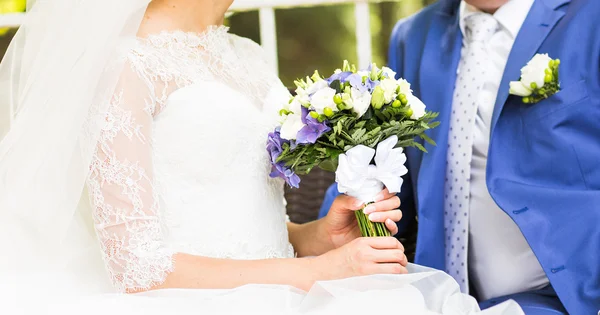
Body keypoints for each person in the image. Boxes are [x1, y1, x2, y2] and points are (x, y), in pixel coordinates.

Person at [0, 0, 523, 314]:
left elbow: (246, 219)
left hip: (282, 290)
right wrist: (317, 273)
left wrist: (318, 239)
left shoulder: (243, 55)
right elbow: (138, 267)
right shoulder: (122, 69)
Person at [319, 0, 600, 314]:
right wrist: (333, 234)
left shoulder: (592, 18)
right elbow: (388, 173)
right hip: (436, 296)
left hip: (571, 296)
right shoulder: (413, 36)